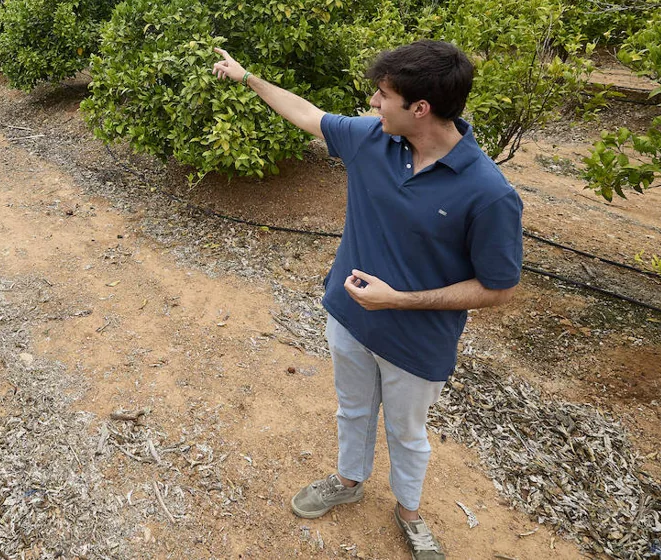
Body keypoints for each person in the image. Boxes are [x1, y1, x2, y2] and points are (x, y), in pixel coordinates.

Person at [212, 40, 522, 560]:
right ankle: (349, 480)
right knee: (352, 410)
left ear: (419, 108)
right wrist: (248, 78)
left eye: (382, 95)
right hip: (350, 318)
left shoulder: (488, 192)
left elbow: (499, 287)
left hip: (417, 341)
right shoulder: (372, 140)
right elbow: (308, 116)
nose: (373, 104)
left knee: (407, 432)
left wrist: (400, 300)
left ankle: (409, 512)